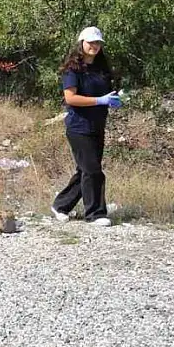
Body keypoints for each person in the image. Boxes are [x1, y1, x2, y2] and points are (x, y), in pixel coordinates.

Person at [51, 26, 123, 227]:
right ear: (81, 43)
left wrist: (115, 99)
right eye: (91, 42)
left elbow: (110, 92)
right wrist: (99, 100)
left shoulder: (102, 70)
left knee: (85, 170)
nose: (94, 46)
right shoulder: (72, 69)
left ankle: (61, 206)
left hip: (98, 125)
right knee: (93, 170)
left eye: (98, 42)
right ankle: (95, 213)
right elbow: (70, 98)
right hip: (78, 127)